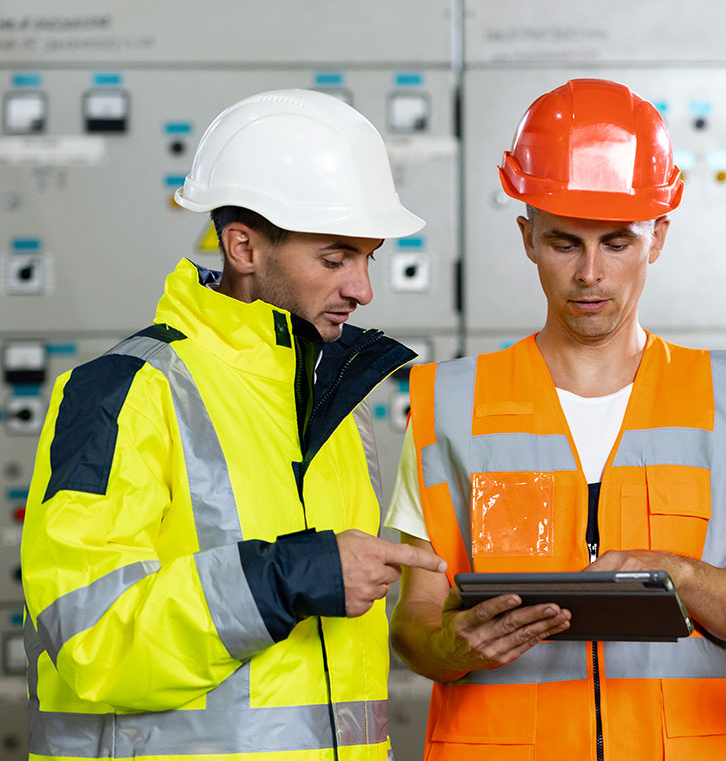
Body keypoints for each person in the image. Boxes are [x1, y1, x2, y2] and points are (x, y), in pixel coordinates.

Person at [21, 89, 446, 761]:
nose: (363, 289)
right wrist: (285, 578)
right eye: (336, 259)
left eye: (369, 258)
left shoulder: (338, 408)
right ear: (243, 247)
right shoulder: (124, 391)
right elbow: (87, 641)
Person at [386, 78, 726, 760]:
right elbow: (415, 620)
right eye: (562, 243)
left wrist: (682, 575)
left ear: (657, 237)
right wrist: (448, 646)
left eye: (616, 242)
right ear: (526, 237)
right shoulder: (450, 405)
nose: (589, 275)